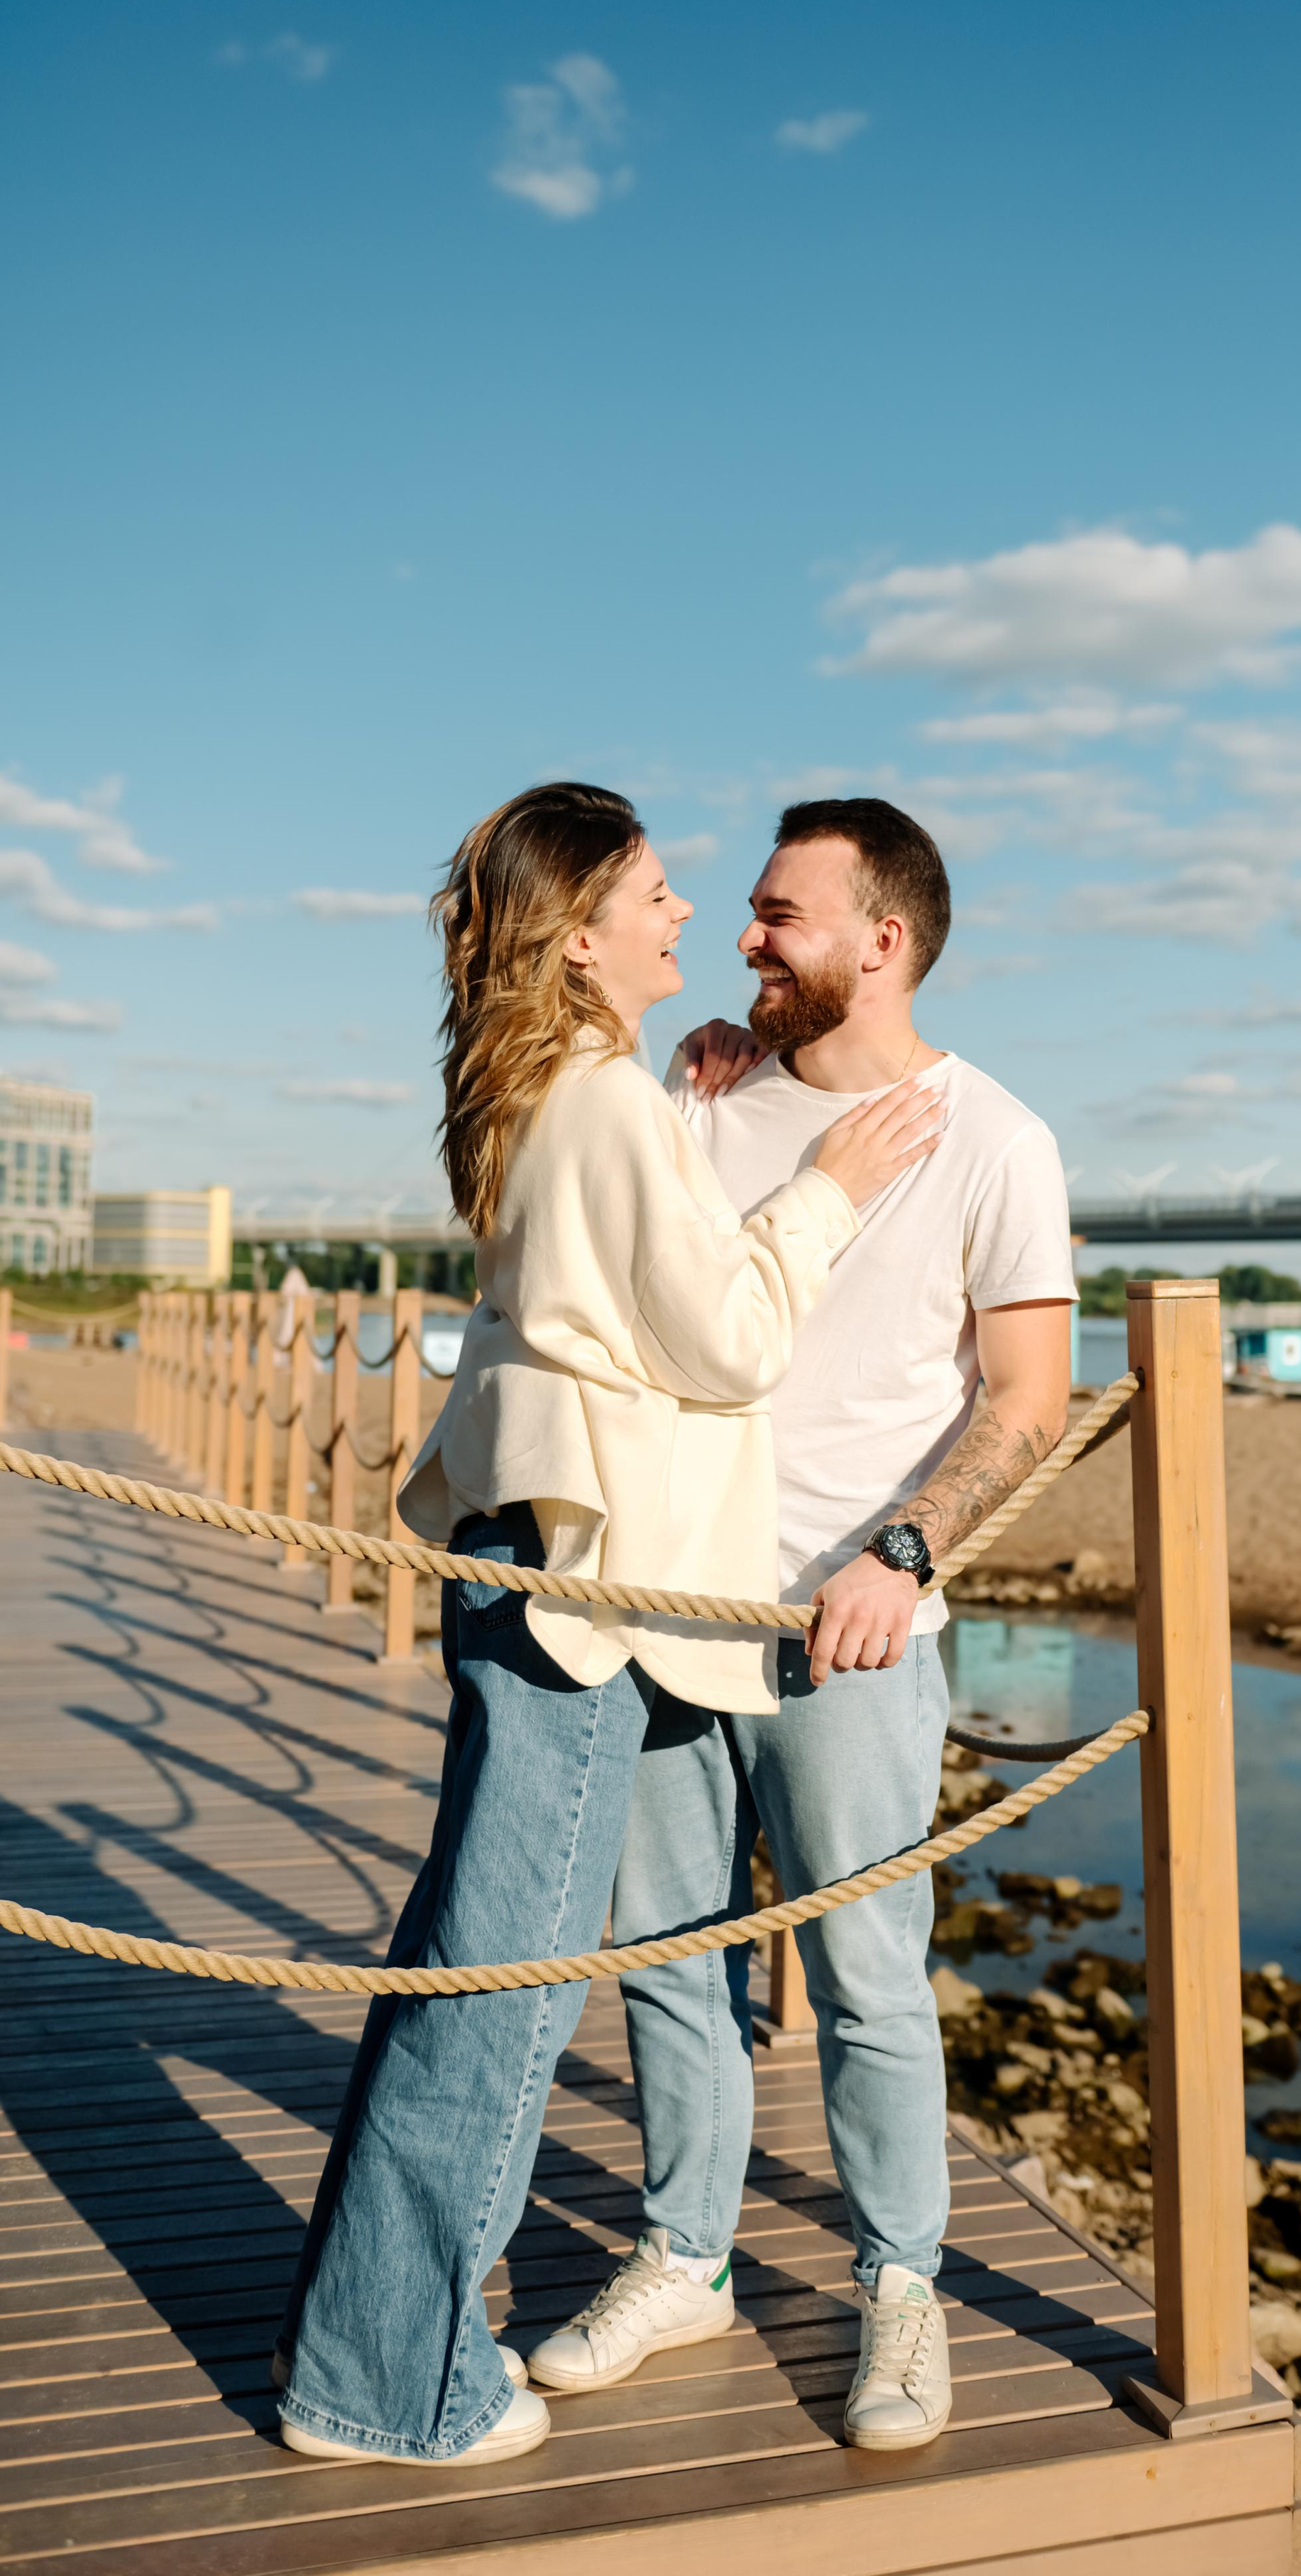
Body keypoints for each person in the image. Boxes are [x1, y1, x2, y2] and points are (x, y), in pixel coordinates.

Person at [273, 782, 940, 2468]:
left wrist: (684, 1113)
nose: (686, 918)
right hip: (576, 1601)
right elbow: (719, 1342)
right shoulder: (601, 1103)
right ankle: (397, 2389)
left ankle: (368, 2352)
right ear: (579, 934)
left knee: (462, 1968)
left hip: (533, 1566)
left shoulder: (560, 1090)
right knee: (501, 1994)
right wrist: (827, 1189)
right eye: (651, 891)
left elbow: (624, 1314)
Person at [526, 797, 1075, 2453]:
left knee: (867, 1977)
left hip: (857, 1636)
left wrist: (899, 1552)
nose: (743, 938)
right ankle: (686, 2255)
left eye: (777, 915)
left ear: (880, 942)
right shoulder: (698, 1100)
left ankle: (900, 2290)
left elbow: (1027, 1398)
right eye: (745, 914)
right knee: (671, 1966)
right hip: (664, 1606)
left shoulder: (997, 1140)